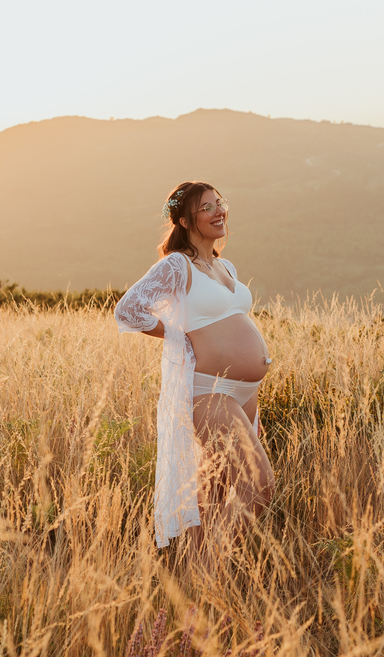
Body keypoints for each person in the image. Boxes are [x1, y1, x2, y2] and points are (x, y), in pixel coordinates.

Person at [114, 181, 275, 554]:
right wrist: (178, 337)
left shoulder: (224, 265)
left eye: (220, 203)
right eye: (207, 207)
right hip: (210, 392)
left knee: (213, 497)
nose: (219, 211)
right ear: (186, 220)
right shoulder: (177, 265)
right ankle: (211, 567)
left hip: (242, 398)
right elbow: (128, 310)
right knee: (259, 485)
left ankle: (195, 586)